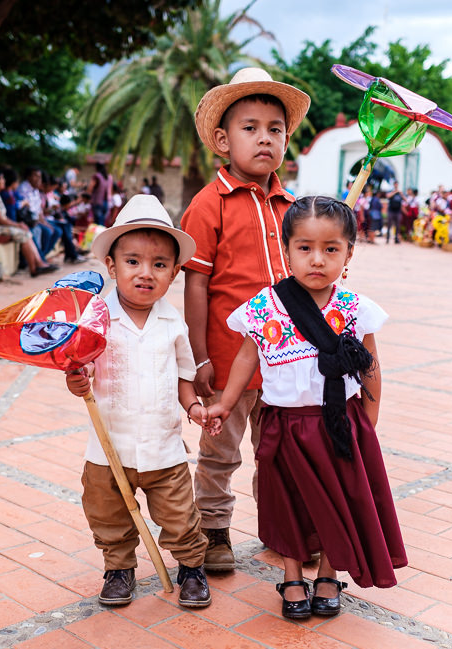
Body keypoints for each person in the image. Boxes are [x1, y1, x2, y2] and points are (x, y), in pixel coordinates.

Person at [205, 196, 407, 620]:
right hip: (284, 424)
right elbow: (246, 357)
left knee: (340, 501)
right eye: (305, 248)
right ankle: (293, 575)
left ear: (349, 253)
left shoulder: (355, 308)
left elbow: (369, 364)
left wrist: (368, 421)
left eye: (331, 249)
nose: (317, 259)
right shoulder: (265, 306)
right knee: (287, 503)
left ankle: (330, 574)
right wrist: (225, 402)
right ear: (286, 251)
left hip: (339, 424)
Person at [181, 67, 310, 572]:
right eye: (250, 127)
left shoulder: (293, 207)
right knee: (220, 451)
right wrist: (200, 356)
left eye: (275, 129)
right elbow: (195, 285)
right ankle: (213, 531)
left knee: (278, 454)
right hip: (228, 361)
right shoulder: (207, 204)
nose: (264, 138)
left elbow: (307, 277)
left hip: (285, 360)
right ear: (222, 139)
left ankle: (281, 530)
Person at [66, 194, 216, 608]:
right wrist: (78, 382)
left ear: (174, 273)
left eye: (159, 264)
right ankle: (118, 568)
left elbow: (184, 376)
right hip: (108, 447)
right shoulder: (95, 320)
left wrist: (195, 409)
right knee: (108, 514)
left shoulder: (173, 323)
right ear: (112, 267)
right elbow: (83, 372)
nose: (145, 273)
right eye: (132, 262)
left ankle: (191, 567)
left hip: (163, 446)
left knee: (180, 515)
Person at [0, 168, 56, 277]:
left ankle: (38, 264)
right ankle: (35, 267)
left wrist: (19, 225)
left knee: (25, 232)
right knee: (23, 232)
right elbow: (0, 219)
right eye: (1, 178)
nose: (3, 181)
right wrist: (18, 225)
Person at [17, 167, 61, 260]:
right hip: (28, 221)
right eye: (35, 176)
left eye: (39, 177)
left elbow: (39, 210)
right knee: (45, 231)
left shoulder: (35, 190)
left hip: (36, 220)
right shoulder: (23, 189)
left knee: (56, 231)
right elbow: (27, 211)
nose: (38, 179)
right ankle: (39, 260)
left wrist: (44, 222)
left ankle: (42, 257)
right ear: (28, 177)